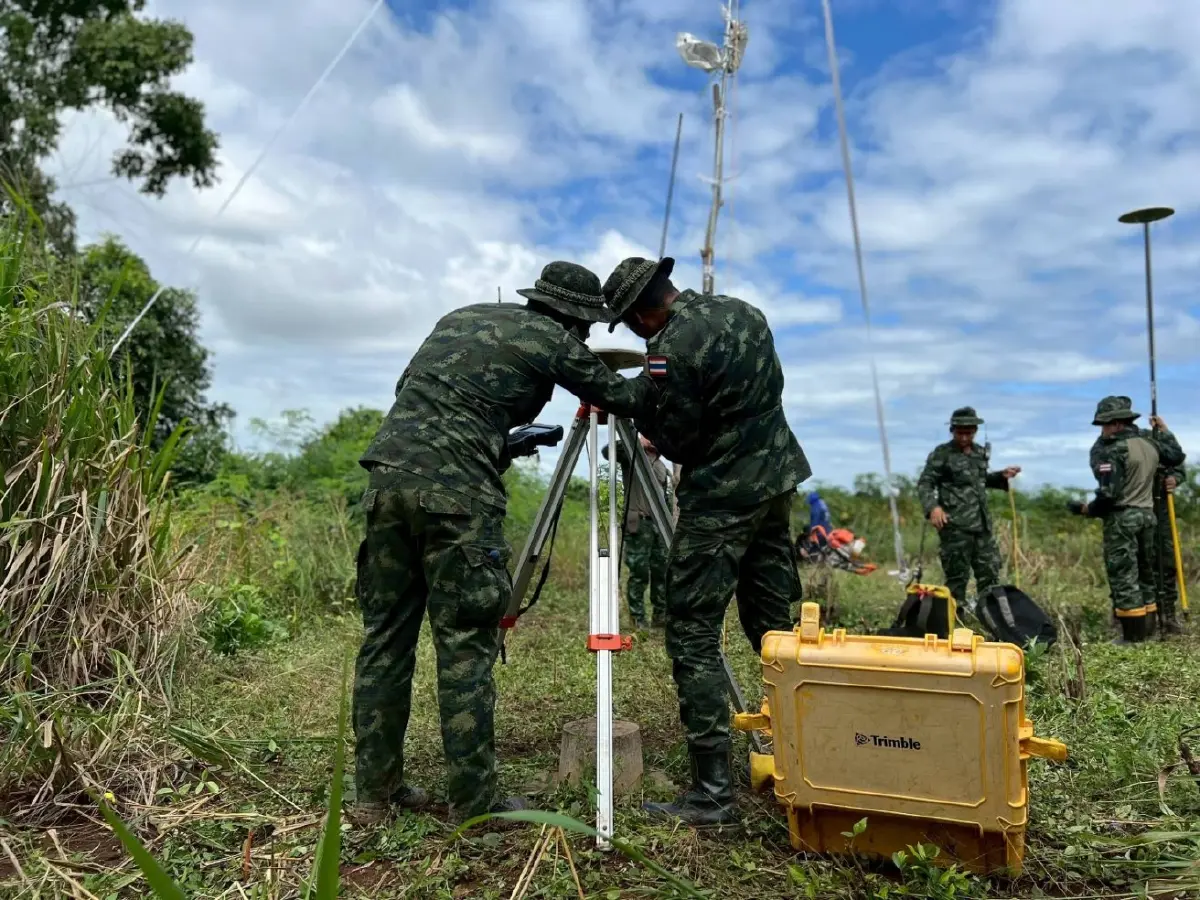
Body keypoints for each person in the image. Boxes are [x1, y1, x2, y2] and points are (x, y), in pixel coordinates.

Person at [350, 261, 657, 826]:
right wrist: (666, 369)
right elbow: (619, 392)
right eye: (585, 329)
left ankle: (374, 793)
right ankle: (473, 803)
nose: (584, 339)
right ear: (574, 319)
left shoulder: (459, 317)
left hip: (386, 485)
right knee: (465, 646)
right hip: (458, 501)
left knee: (384, 642)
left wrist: (499, 440)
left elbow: (424, 400)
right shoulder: (551, 339)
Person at [602, 255, 811, 826]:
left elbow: (682, 439)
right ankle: (813, 755)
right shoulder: (746, 312)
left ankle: (712, 796)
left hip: (722, 496)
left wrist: (645, 416)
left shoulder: (672, 347)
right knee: (773, 629)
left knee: (692, 629)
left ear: (643, 313)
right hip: (775, 483)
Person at [1067, 396, 1185, 645]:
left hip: (1123, 517)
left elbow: (1109, 494)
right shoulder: (1150, 443)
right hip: (1148, 516)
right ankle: (1150, 631)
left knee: (1124, 576)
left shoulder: (1114, 450)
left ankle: (1132, 637)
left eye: (1105, 425)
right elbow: (1176, 456)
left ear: (1117, 424)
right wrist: (1165, 433)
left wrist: (1088, 509)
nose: (1103, 431)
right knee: (1146, 573)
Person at [916, 407, 1021, 607]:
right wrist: (933, 508)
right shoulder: (942, 453)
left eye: (969, 432)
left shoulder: (979, 453)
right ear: (953, 430)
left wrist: (1001, 476)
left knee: (989, 573)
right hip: (955, 526)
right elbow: (925, 483)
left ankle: (990, 617)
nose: (964, 437)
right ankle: (955, 622)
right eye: (960, 432)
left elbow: (979, 481)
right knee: (957, 578)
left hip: (982, 526)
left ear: (975, 431)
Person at [601, 434, 673, 630]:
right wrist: (632, 440)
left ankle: (660, 616)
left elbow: (666, 501)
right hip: (639, 524)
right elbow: (607, 452)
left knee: (661, 572)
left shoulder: (662, 467)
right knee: (639, 572)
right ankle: (638, 619)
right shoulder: (631, 455)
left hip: (659, 526)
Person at [1154, 438, 1188, 635]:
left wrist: (1174, 479)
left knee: (1167, 563)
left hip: (1163, 511)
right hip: (1135, 508)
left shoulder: (1159, 441)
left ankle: (1168, 616)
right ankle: (1134, 620)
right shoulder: (1127, 445)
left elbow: (1177, 463)